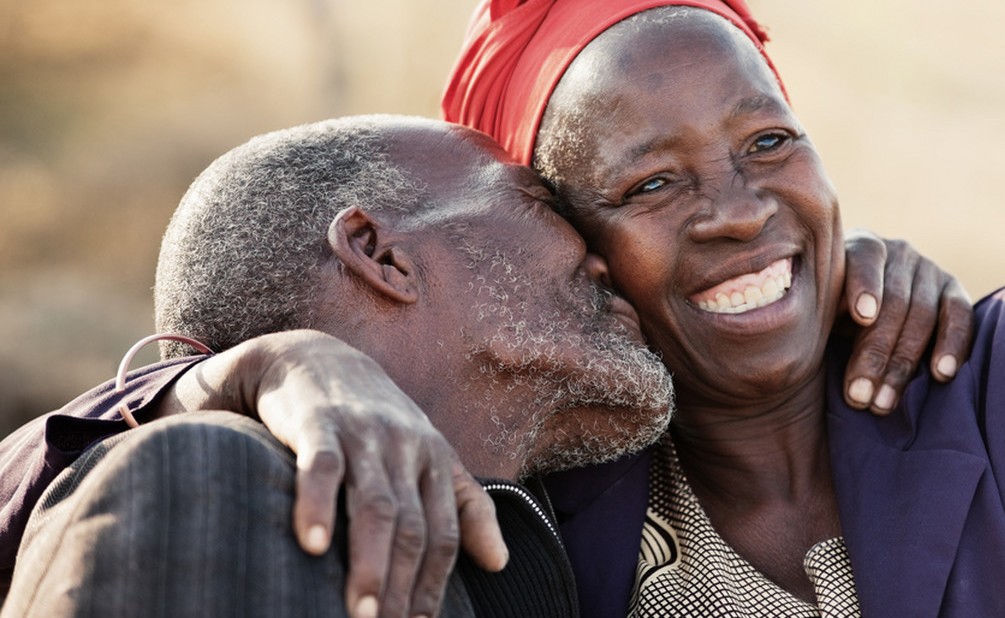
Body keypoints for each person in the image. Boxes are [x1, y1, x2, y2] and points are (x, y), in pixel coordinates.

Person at [439, 0, 1005, 616]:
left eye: (769, 141)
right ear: (571, 250)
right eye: (653, 185)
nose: (738, 213)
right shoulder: (529, 511)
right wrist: (318, 364)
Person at [1, 114, 677, 618]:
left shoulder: (508, 559)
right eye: (540, 201)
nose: (600, 253)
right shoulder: (220, 478)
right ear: (379, 255)